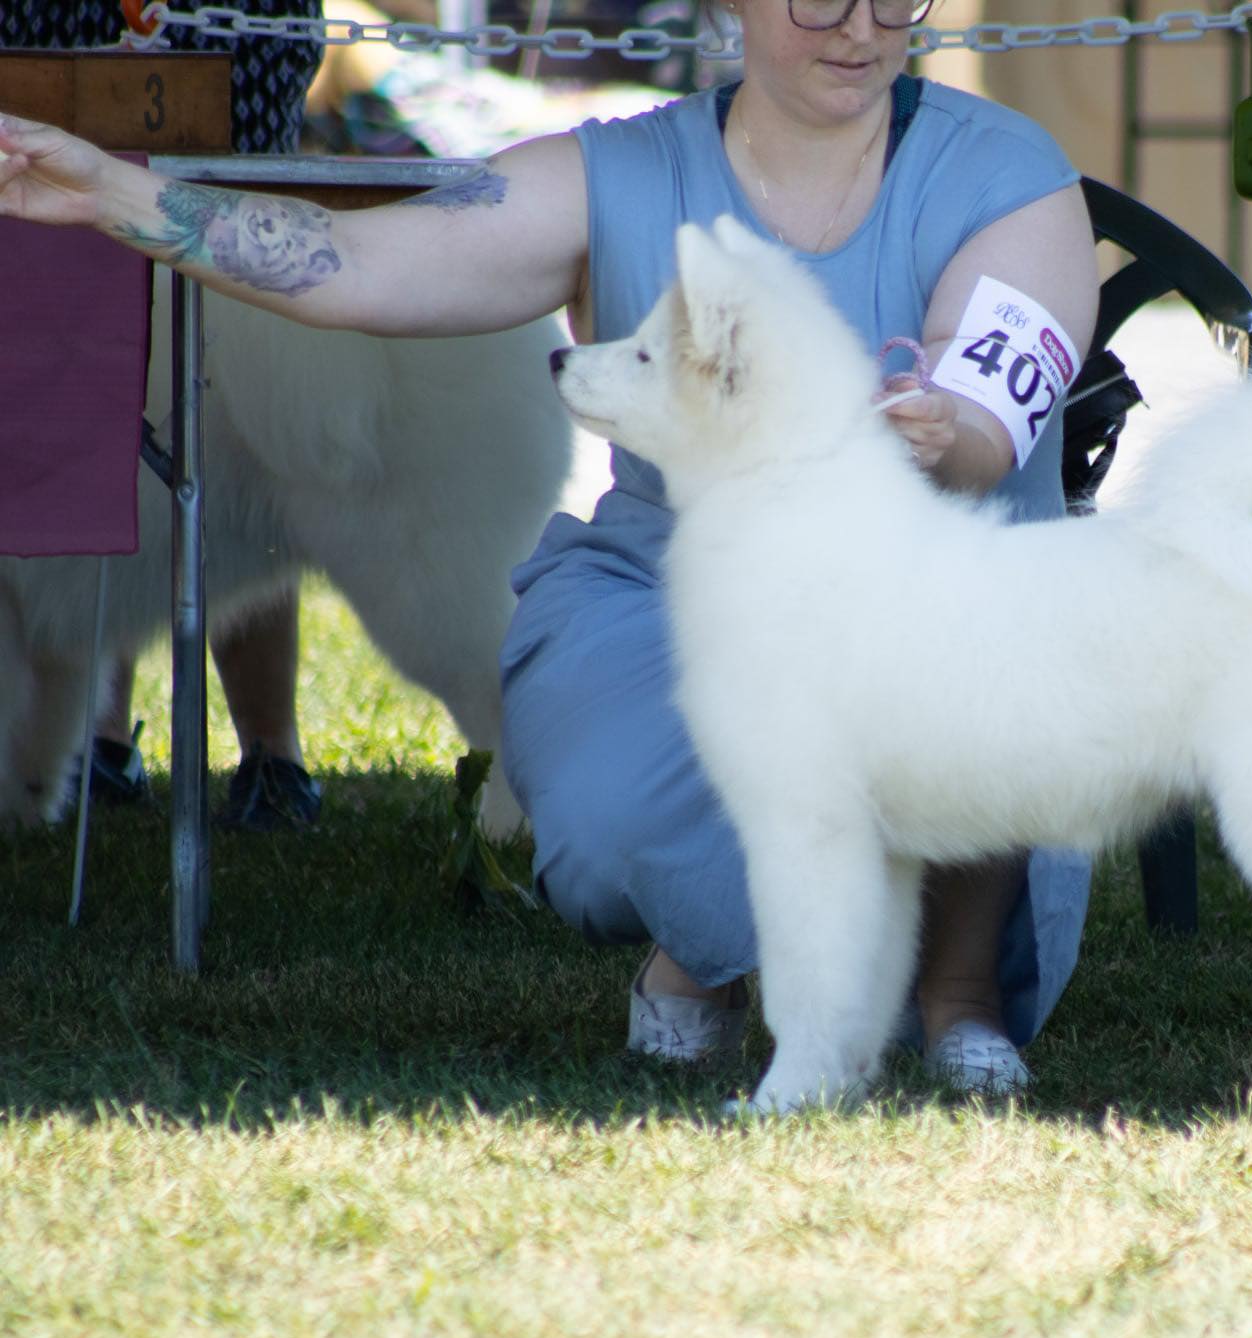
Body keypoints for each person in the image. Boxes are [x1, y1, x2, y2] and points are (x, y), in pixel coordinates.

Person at [0, 0, 1098, 1093]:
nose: (858, 28)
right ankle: (709, 952)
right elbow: (351, 261)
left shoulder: (1010, 173)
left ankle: (955, 990)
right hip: (675, 597)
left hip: (927, 609)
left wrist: (940, 433)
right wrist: (114, 193)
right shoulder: (611, 171)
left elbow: (982, 424)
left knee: (945, 670)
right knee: (606, 826)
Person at [0, 0, 327, 828]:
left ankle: (267, 746)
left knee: (243, 431)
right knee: (64, 402)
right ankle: (91, 743)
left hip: (230, 42)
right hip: (49, 48)